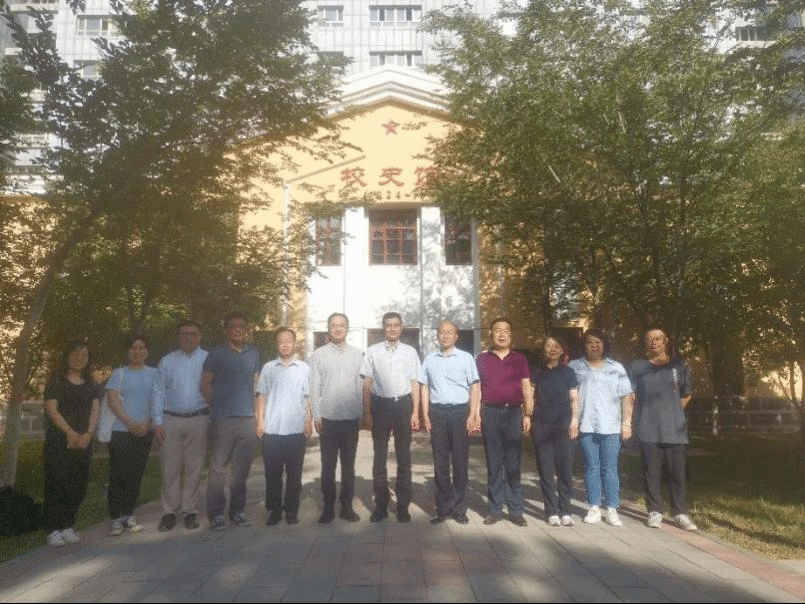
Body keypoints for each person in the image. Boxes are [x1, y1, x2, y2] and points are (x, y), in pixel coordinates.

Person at [630, 328, 697, 531]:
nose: (654, 342)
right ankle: (655, 511)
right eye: (649, 339)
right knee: (651, 473)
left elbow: (686, 394)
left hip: (675, 429)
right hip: (648, 428)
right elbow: (631, 396)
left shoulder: (678, 366)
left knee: (677, 474)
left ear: (666, 341)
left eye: (658, 338)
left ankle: (680, 513)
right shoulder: (637, 366)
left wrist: (672, 411)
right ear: (645, 343)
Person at [202, 311, 261, 531]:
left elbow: (256, 385)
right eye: (233, 327)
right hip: (223, 420)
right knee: (218, 468)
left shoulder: (254, 353)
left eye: (241, 327)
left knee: (241, 469)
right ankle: (216, 513)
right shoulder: (216, 353)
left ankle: (237, 511)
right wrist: (217, 406)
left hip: (247, 419)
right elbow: (205, 384)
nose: (237, 330)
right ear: (226, 331)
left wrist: (257, 415)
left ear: (246, 330)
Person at [361, 312, 421, 523]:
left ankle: (403, 505)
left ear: (401, 328)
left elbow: (415, 382)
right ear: (383, 328)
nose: (392, 329)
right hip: (381, 405)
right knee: (379, 457)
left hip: (403, 405)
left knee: (404, 457)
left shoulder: (410, 352)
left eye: (396, 325)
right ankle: (381, 504)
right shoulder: (373, 351)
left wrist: (415, 412)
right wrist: (367, 412)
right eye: (388, 325)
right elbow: (367, 383)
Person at [569, 328, 633, 527]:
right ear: (584, 345)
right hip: (586, 425)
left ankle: (612, 509)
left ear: (604, 345)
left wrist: (627, 423)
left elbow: (626, 396)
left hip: (611, 426)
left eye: (598, 342)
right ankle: (594, 507)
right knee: (591, 467)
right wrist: (573, 421)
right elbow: (571, 396)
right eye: (590, 342)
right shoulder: (574, 367)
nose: (594, 346)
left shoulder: (617, 368)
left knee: (610, 468)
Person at [419, 320, 481, 525]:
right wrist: (425, 414)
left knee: (460, 462)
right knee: (440, 463)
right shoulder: (429, 359)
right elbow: (424, 387)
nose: (445, 336)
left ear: (456, 336)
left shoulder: (466, 358)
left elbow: (475, 387)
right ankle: (443, 509)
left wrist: (472, 414)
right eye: (442, 332)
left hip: (460, 413)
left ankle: (460, 510)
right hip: (438, 413)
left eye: (449, 332)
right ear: (437, 335)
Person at [151, 320, 209, 531]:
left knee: (194, 467)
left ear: (199, 336)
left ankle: (190, 511)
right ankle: (170, 512)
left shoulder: (209, 359)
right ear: (178, 337)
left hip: (199, 419)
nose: (188, 337)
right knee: (170, 468)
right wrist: (157, 421)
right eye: (184, 334)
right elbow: (158, 391)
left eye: (192, 333)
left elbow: (216, 388)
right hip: (170, 421)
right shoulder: (167, 361)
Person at [42, 341, 101, 547]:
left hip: (83, 441)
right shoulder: (57, 381)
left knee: (78, 484)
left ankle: (67, 525)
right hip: (60, 439)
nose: (79, 358)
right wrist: (68, 432)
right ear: (67, 356)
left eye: (84, 355)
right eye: (75, 354)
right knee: (57, 483)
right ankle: (52, 529)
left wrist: (88, 434)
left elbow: (95, 410)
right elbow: (52, 410)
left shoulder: (91, 384)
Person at [476, 318, 533, 526]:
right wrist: (475, 414)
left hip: (513, 413)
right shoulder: (482, 359)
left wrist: (528, 414)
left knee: (513, 463)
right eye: (497, 330)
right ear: (491, 334)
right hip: (490, 413)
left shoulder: (520, 359)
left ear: (510, 334)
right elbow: (476, 388)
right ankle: (494, 510)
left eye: (505, 331)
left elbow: (526, 387)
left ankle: (516, 510)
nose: (501, 334)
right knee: (493, 463)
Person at [309, 312, 363, 524]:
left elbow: (360, 387)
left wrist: (362, 414)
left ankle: (347, 507)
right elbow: (314, 388)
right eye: (333, 325)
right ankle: (328, 508)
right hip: (328, 419)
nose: (338, 328)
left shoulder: (358, 354)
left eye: (341, 325)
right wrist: (316, 415)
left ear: (347, 329)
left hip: (350, 418)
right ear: (328, 329)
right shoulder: (319, 355)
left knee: (348, 466)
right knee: (328, 466)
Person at [255, 327, 312, 525]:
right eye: (281, 341)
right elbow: (261, 395)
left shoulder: (304, 368)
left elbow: (308, 397)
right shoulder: (269, 368)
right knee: (273, 474)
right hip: (272, 430)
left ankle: (291, 510)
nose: (285, 344)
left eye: (289, 340)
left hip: (296, 430)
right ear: (276, 345)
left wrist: (308, 420)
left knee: (295, 474)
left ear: (294, 344)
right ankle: (275, 510)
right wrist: (260, 421)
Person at [106, 334, 158, 536]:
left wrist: (146, 423)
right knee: (118, 474)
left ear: (147, 351)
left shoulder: (155, 374)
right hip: (121, 431)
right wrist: (129, 422)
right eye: (133, 348)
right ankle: (115, 518)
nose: (137, 352)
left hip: (145, 430)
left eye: (141, 348)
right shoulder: (118, 374)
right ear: (127, 351)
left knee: (135, 474)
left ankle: (128, 514)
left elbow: (159, 401)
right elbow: (112, 400)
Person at [531, 334, 579, 527]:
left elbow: (574, 398)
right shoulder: (537, 372)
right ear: (543, 349)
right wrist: (528, 417)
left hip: (564, 426)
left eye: (556, 346)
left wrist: (574, 420)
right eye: (549, 345)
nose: (552, 349)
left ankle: (565, 511)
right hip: (542, 426)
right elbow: (530, 397)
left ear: (562, 350)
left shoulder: (568, 372)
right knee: (546, 470)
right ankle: (551, 511)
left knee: (565, 470)